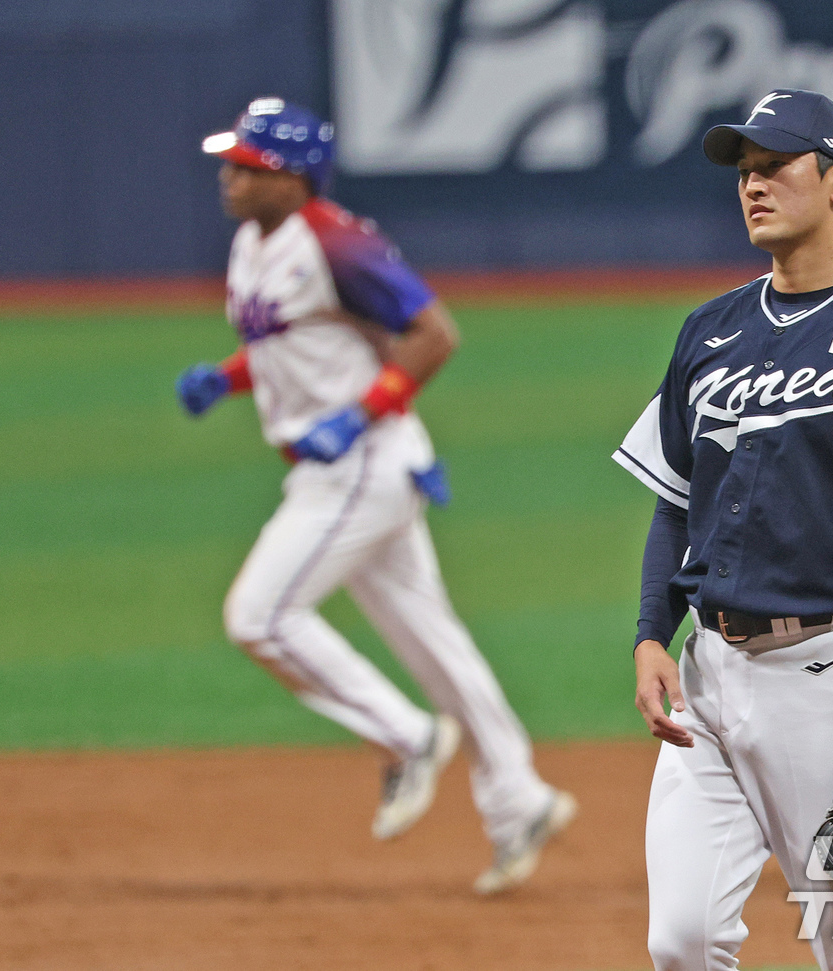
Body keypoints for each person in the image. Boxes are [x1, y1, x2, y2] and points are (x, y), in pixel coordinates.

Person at [612, 89, 833, 970]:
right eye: (744, 172)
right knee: (682, 939)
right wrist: (651, 635)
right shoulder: (709, 331)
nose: (753, 186)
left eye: (774, 167)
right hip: (709, 671)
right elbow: (675, 501)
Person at [177, 97, 574, 894]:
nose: (229, 177)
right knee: (436, 641)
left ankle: (405, 736)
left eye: (247, 167)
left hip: (360, 463)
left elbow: (435, 332)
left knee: (259, 615)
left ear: (290, 179)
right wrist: (226, 377)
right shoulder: (256, 243)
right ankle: (518, 797)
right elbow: (294, 340)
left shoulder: (338, 243)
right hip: (350, 464)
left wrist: (359, 414)